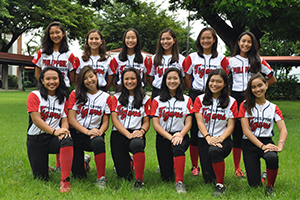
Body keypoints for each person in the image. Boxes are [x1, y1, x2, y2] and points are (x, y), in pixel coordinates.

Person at [228, 31, 277, 178]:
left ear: (253, 44)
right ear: (238, 42)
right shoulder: (231, 61)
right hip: (236, 98)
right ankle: (237, 168)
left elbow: (272, 78)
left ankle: (261, 162)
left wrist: (260, 89)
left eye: (249, 42)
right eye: (243, 41)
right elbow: (223, 80)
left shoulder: (258, 60)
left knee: (254, 130)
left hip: (253, 98)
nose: (246, 44)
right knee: (237, 134)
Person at [183, 27, 229, 176]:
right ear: (199, 40)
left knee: (214, 124)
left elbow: (225, 77)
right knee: (195, 131)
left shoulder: (221, 59)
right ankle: (195, 166)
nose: (205, 41)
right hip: (197, 95)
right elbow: (187, 76)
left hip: (216, 94)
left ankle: (215, 151)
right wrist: (195, 92)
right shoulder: (191, 57)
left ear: (214, 40)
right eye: (203, 38)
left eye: (209, 38)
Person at [32, 21, 76, 171]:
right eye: (52, 33)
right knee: (40, 122)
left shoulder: (69, 55)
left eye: (58, 32)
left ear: (63, 34)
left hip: (63, 92)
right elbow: (38, 73)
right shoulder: (42, 52)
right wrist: (43, 86)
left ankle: (60, 164)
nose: (55, 35)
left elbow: (72, 76)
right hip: (44, 93)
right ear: (48, 35)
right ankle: (41, 161)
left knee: (62, 125)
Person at [239, 73, 287, 197]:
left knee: (272, 157)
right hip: (249, 143)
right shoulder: (245, 105)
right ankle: (262, 176)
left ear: (266, 85)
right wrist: (262, 146)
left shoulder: (273, 108)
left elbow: (283, 130)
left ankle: (270, 186)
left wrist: (279, 146)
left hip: (266, 140)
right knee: (254, 185)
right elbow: (246, 131)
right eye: (253, 87)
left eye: (260, 85)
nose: (257, 89)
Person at [26, 66, 73, 193]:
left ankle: (65, 180)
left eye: (55, 78)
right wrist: (54, 131)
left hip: (54, 138)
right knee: (41, 178)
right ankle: (43, 164)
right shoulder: (34, 95)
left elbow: (64, 119)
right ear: (42, 80)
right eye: (48, 79)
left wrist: (63, 130)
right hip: (36, 138)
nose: (51, 82)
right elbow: (36, 120)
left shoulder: (63, 98)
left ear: (59, 80)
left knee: (67, 139)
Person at [193, 69, 238, 197]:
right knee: (208, 179)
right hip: (203, 139)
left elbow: (231, 126)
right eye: (212, 81)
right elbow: (199, 122)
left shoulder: (232, 101)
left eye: (219, 81)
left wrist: (220, 139)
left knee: (214, 151)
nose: (214, 84)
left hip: (223, 140)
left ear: (224, 84)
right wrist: (208, 138)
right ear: (208, 82)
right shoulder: (199, 99)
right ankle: (215, 176)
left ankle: (220, 185)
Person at [68, 66, 112, 189]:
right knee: (78, 176)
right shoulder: (75, 94)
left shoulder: (106, 97)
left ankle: (101, 178)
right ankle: (84, 162)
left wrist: (99, 132)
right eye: (85, 78)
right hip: (77, 133)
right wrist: (87, 132)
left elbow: (105, 122)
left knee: (99, 141)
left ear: (97, 77)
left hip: (94, 134)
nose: (89, 80)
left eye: (91, 76)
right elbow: (71, 119)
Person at [151, 68, 192, 193]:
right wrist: (171, 137)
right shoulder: (157, 100)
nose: (172, 81)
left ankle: (179, 182)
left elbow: (189, 123)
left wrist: (180, 135)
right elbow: (156, 125)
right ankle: (171, 167)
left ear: (180, 81)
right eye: (169, 78)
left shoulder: (187, 100)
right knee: (166, 177)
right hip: (164, 137)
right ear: (164, 81)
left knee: (177, 147)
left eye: (175, 78)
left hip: (181, 134)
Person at [110, 67, 151, 190]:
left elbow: (146, 122)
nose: (129, 81)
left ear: (138, 80)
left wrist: (142, 131)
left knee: (137, 144)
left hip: (137, 132)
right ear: (122, 80)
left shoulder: (146, 99)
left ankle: (139, 181)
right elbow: (115, 119)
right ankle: (131, 162)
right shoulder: (116, 97)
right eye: (126, 79)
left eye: (133, 78)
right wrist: (127, 134)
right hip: (119, 133)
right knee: (124, 176)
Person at [148, 28, 185, 99]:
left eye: (168, 39)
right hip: (157, 92)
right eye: (162, 39)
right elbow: (150, 78)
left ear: (174, 40)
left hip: (174, 93)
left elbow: (184, 79)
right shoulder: (154, 58)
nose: (165, 41)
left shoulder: (181, 59)